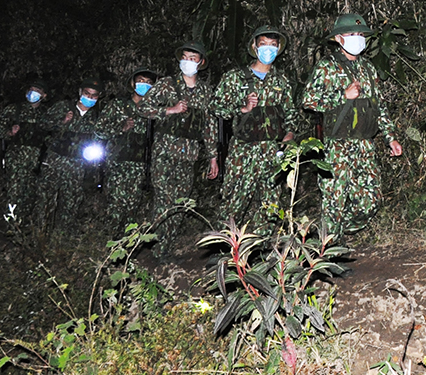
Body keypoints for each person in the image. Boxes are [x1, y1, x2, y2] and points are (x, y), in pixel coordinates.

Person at [301, 14, 403, 244]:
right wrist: (341, 96)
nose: (357, 39)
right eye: (351, 35)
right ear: (338, 39)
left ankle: (332, 231)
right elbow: (308, 101)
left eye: (360, 34)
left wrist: (391, 138)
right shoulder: (327, 67)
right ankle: (330, 252)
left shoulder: (368, 68)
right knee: (334, 201)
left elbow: (379, 107)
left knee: (371, 201)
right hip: (337, 145)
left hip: (365, 144)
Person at [212, 25, 298, 233]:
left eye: (273, 45)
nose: (268, 49)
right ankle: (224, 250)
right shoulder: (235, 78)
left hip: (271, 151)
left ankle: (262, 250)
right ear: (254, 46)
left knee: (271, 205)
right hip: (243, 150)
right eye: (263, 45)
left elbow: (291, 115)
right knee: (234, 203)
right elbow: (216, 108)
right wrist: (241, 108)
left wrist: (289, 134)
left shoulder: (282, 81)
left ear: (278, 49)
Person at [136, 42, 218, 255]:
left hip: (189, 155)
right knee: (163, 201)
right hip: (164, 152)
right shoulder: (167, 84)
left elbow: (209, 125)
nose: (188, 61)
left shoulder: (205, 91)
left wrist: (212, 158)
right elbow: (143, 109)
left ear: (200, 63)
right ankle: (153, 248)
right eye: (185, 57)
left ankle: (165, 249)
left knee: (181, 204)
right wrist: (169, 110)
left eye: (193, 58)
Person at [39, 77, 109, 232]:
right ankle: (41, 234)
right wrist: (62, 121)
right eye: (87, 93)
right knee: (46, 199)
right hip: (55, 160)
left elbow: (101, 137)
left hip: (77, 165)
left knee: (71, 201)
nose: (90, 98)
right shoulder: (64, 107)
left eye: (94, 95)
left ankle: (62, 237)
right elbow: (43, 123)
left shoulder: (97, 117)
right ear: (80, 92)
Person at [100, 68, 157, 231]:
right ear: (132, 83)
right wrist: (120, 127)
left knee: (132, 207)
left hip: (139, 166)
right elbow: (99, 130)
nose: (144, 85)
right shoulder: (118, 105)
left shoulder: (153, 112)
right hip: (118, 163)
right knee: (115, 206)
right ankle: (108, 245)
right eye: (141, 81)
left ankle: (125, 245)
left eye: (148, 83)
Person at [0, 79, 51, 221]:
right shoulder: (15, 109)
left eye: (38, 91)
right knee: (14, 192)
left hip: (36, 161)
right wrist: (9, 132)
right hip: (16, 158)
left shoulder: (47, 115)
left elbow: (52, 135)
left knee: (29, 194)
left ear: (44, 95)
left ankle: (23, 225)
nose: (33, 94)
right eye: (31, 90)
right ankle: (11, 226)